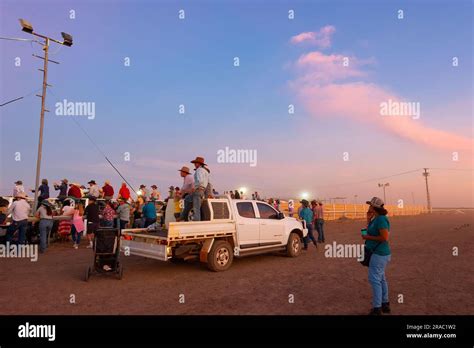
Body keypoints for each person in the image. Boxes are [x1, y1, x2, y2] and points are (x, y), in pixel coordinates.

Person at [363, 197, 392, 315]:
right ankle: (385, 304)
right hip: (379, 253)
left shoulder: (381, 219)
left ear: (374, 207)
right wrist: (368, 220)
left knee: (375, 280)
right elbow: (370, 230)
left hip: (379, 254)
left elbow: (384, 238)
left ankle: (377, 308)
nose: (368, 207)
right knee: (381, 279)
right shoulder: (376, 218)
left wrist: (367, 238)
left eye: (370, 205)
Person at [191, 156, 209, 221]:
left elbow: (200, 181)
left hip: (198, 189)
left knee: (196, 208)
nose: (194, 164)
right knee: (198, 207)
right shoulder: (206, 171)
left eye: (195, 163)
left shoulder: (198, 170)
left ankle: (196, 222)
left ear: (199, 163)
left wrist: (195, 188)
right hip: (202, 190)